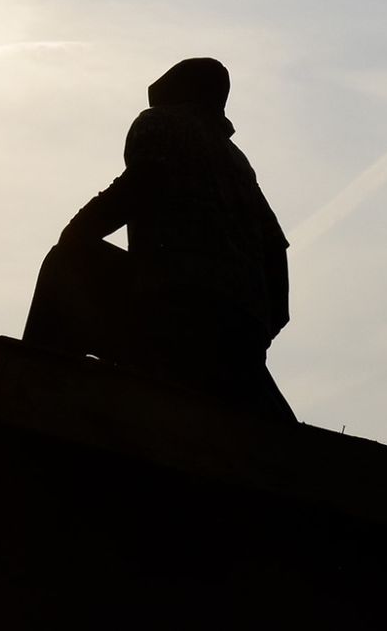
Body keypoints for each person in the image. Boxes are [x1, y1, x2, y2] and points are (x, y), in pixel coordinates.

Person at [23, 57, 295, 422]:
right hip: (241, 332)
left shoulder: (161, 122)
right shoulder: (238, 162)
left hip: (171, 310)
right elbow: (276, 251)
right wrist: (257, 331)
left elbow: (140, 184)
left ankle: (30, 389)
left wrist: (75, 233)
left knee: (64, 263)